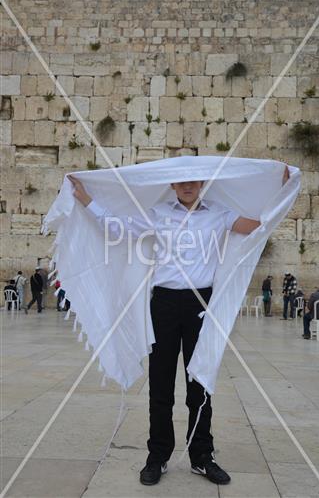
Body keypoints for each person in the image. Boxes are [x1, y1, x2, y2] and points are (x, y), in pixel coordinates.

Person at [68, 166, 289, 486]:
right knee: (160, 385)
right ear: (172, 183)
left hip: (201, 304)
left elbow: (257, 226)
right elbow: (117, 228)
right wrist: (86, 199)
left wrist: (281, 194)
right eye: (181, 180)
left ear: (202, 183)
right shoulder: (157, 214)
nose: (187, 185)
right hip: (165, 305)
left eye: (194, 179)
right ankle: (157, 457)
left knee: (200, 381)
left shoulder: (220, 214)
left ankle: (202, 456)